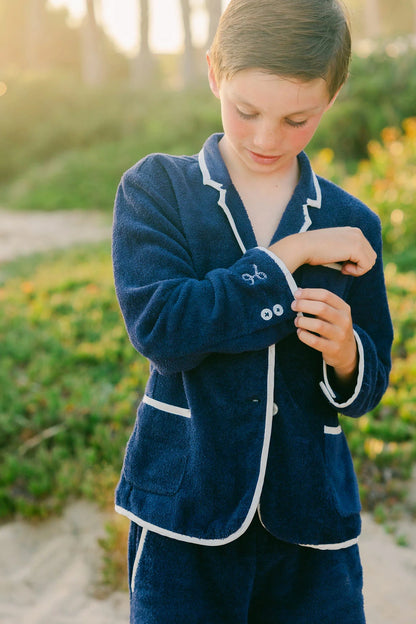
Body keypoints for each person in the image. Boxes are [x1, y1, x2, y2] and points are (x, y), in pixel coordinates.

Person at [112, 1, 393, 622]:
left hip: (313, 524)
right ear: (214, 72)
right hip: (184, 514)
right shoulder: (156, 189)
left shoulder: (354, 222)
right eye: (246, 112)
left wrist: (348, 355)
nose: (268, 138)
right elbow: (164, 330)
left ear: (332, 95)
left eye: (298, 119)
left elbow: (372, 382)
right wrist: (291, 254)